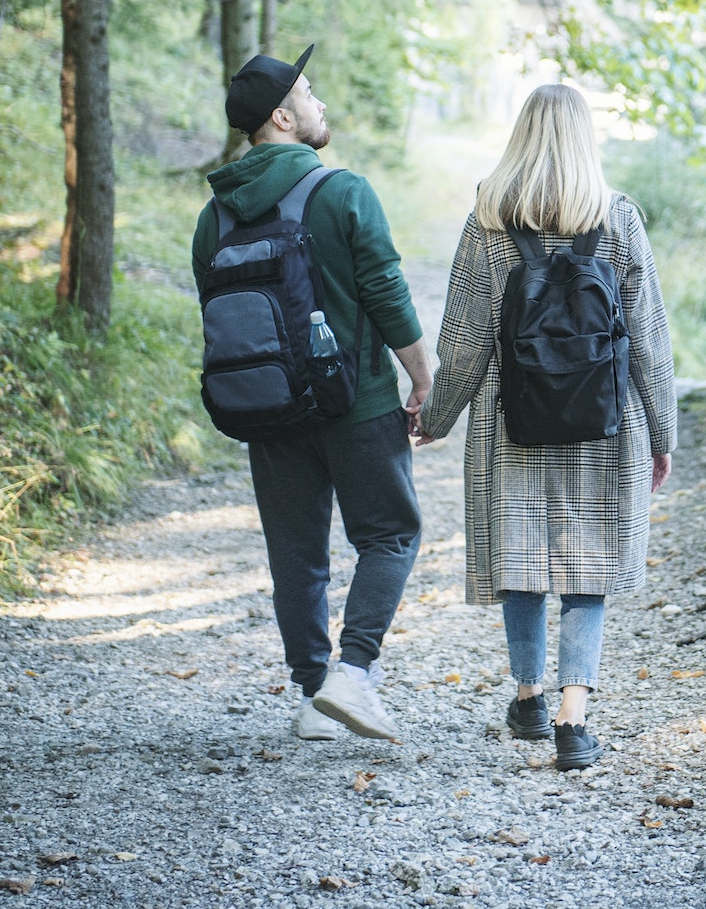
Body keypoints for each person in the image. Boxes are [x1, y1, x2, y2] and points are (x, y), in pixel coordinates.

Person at [414, 83, 676, 771]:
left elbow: (465, 338)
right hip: (606, 421)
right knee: (588, 567)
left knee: (522, 558)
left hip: (511, 420)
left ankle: (528, 698)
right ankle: (573, 718)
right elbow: (649, 338)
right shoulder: (618, 218)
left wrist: (436, 417)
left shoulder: (487, 221)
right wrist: (662, 432)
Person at [191, 46, 432, 743]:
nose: (321, 103)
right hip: (357, 405)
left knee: (296, 556)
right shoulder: (343, 191)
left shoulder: (215, 216)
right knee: (390, 534)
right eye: (309, 93)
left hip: (265, 407)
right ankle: (352, 675)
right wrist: (423, 374)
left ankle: (310, 695)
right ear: (283, 118)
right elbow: (384, 290)